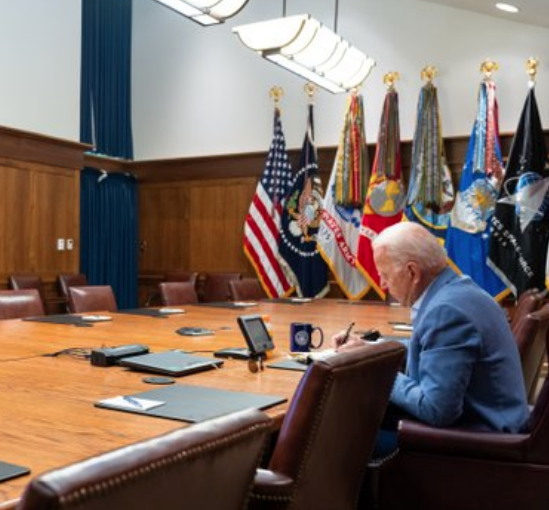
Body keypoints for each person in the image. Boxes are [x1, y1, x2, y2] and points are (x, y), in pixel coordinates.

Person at [333, 222, 529, 446]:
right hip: (492, 424)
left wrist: (374, 370)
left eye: (385, 275)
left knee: (340, 436)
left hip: (479, 445)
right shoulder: (457, 291)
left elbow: (437, 410)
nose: (382, 284)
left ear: (412, 272)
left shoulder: (447, 312)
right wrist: (371, 349)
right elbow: (429, 347)